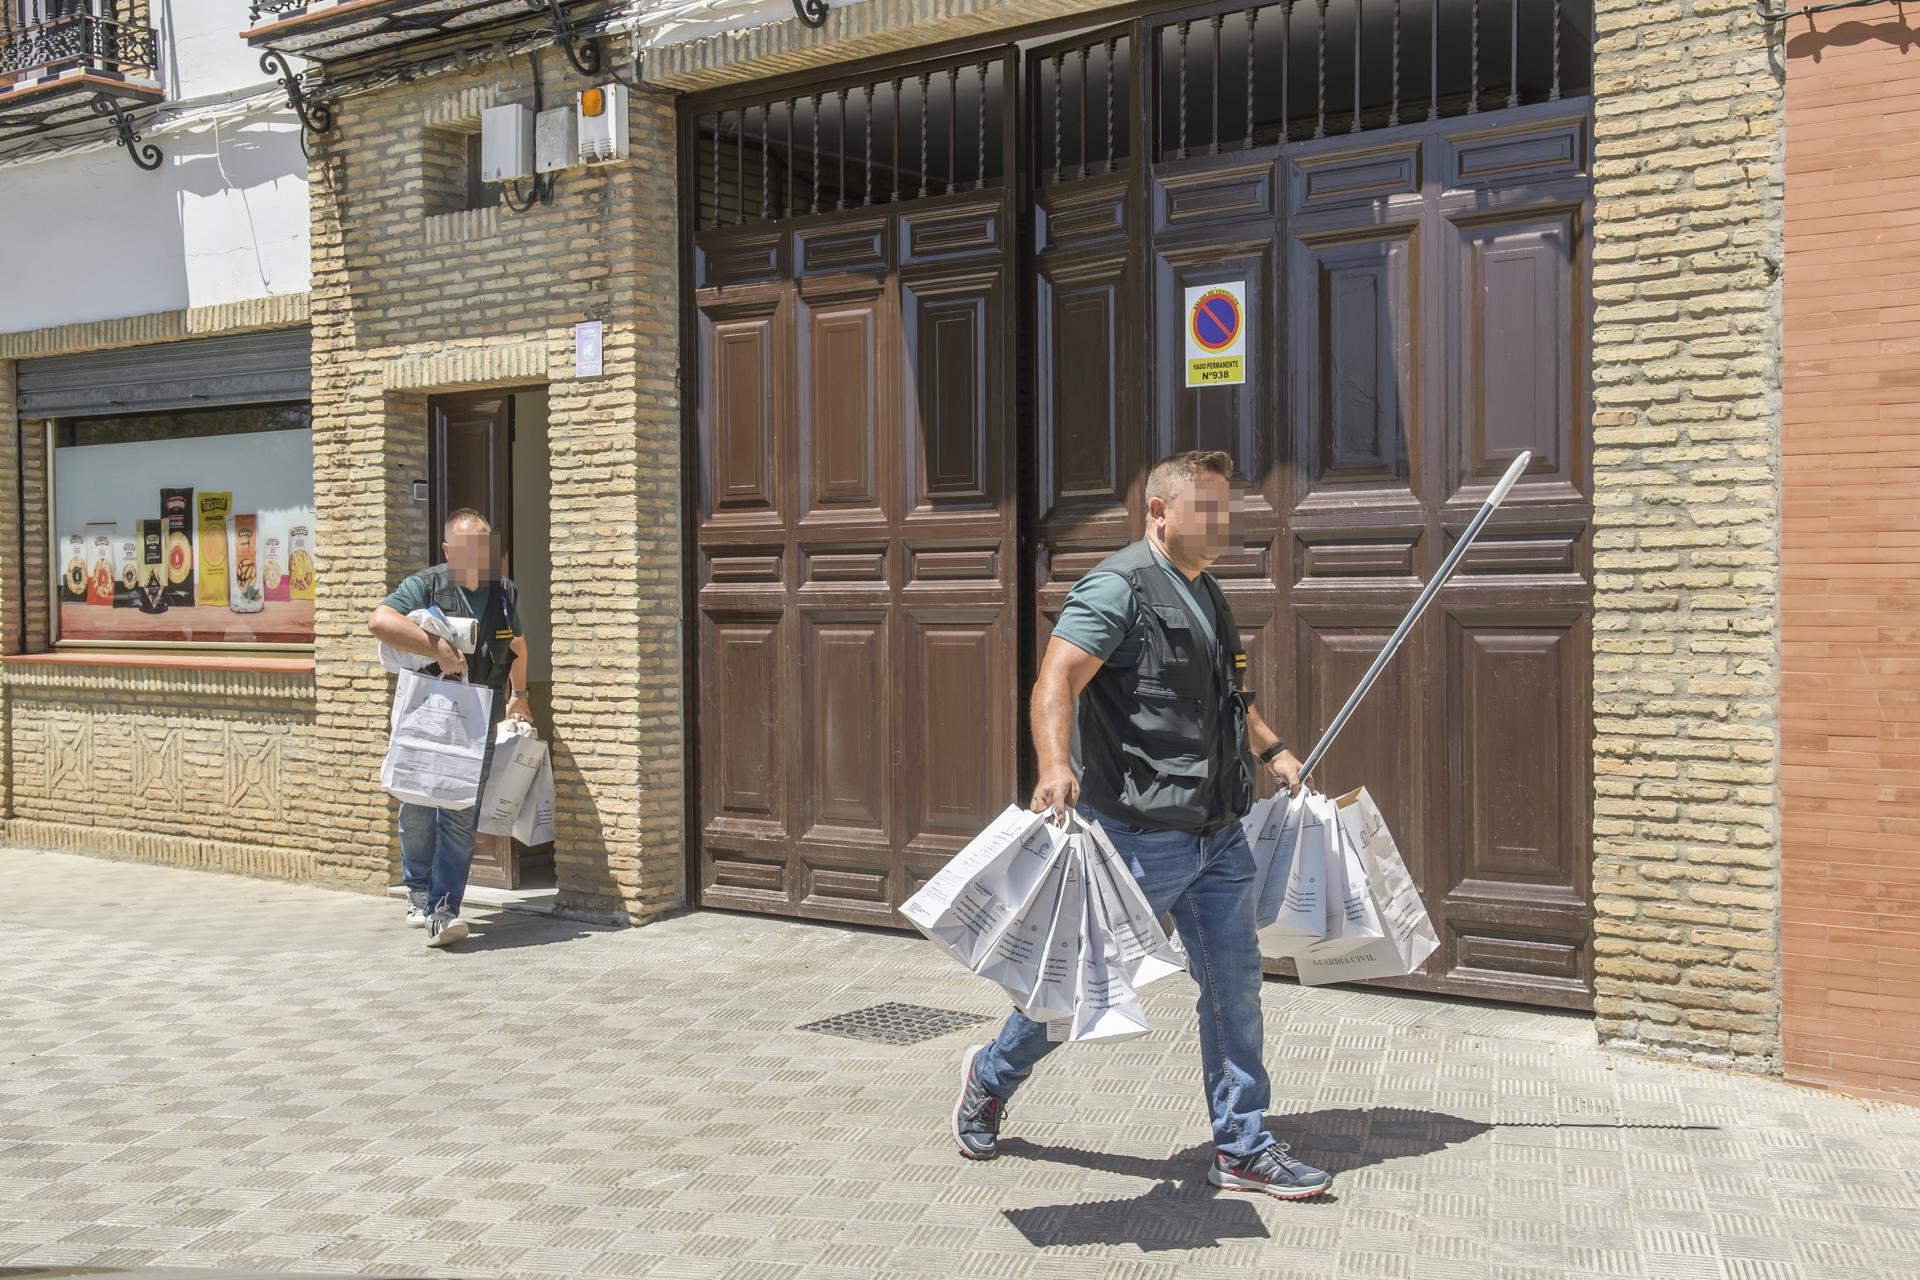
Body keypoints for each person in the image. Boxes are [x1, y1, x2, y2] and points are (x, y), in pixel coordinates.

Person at [950, 450, 1331, 1200]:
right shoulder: (1119, 587)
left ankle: (1243, 1146)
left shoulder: (1209, 591)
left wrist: (1274, 749)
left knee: (1235, 989)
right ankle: (990, 1076)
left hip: (1218, 832)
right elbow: (1056, 677)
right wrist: (1054, 764)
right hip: (1136, 838)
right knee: (1079, 989)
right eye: (1208, 509)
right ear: (1159, 511)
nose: (1224, 524)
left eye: (1227, 508)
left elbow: (1229, 695)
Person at [368, 509, 531, 948]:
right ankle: (417, 888)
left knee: (460, 813)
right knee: (418, 806)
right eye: (466, 546)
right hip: (428, 714)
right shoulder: (426, 584)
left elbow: (516, 644)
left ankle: (444, 910)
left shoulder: (503, 592)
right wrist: (436, 646)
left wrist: (521, 695)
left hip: (477, 716)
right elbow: (379, 621)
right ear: (447, 550)